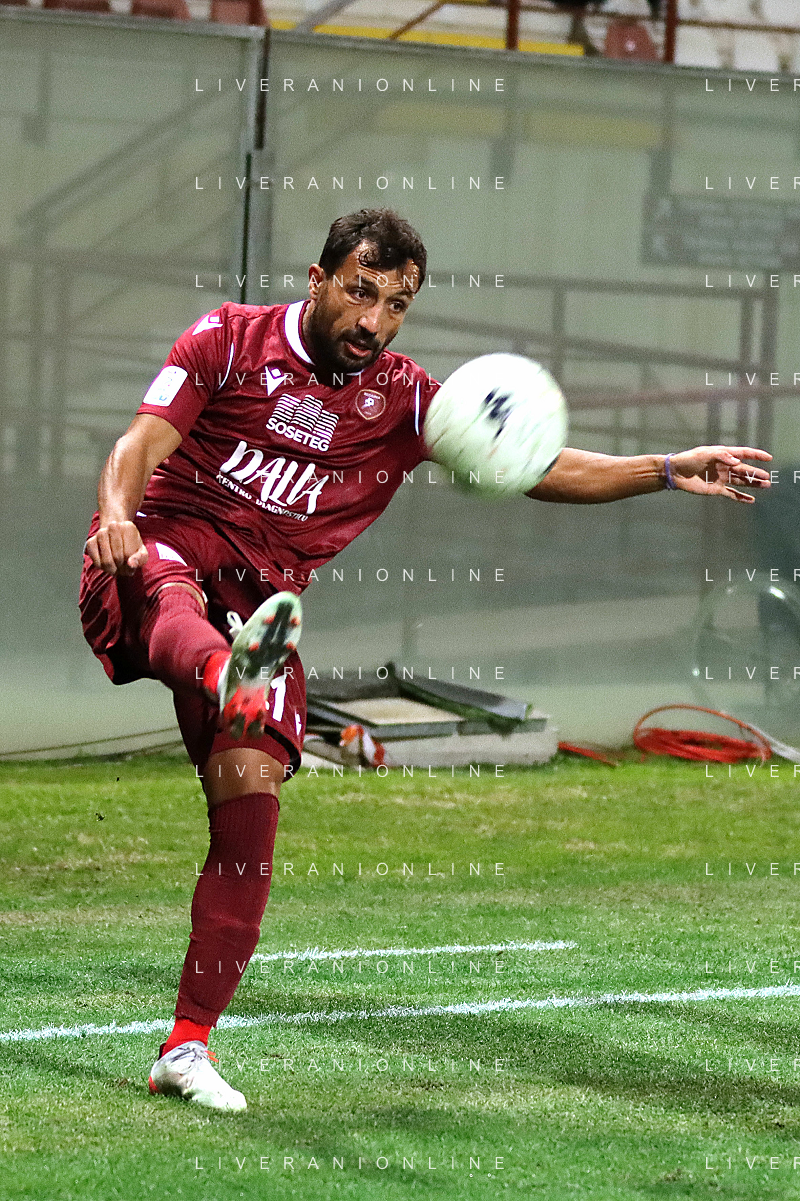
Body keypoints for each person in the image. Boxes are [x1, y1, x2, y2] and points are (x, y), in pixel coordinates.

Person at [80, 207, 771, 1111]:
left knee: (249, 812)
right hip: (155, 548)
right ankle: (225, 674)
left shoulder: (407, 401)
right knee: (171, 585)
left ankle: (186, 1045)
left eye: (396, 304)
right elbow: (139, 443)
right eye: (360, 291)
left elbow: (537, 465)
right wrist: (117, 514)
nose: (373, 320)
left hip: (261, 603)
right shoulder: (229, 340)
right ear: (319, 279)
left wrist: (669, 468)